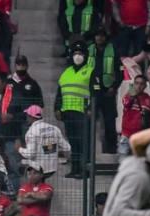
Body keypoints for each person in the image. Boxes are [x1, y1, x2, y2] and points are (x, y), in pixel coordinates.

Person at [55, 41, 93, 179]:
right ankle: (75, 168)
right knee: (73, 142)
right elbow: (60, 91)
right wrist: (57, 107)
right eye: (75, 53)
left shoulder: (90, 71)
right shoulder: (66, 72)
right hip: (68, 112)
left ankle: (86, 170)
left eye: (80, 53)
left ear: (85, 55)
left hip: (83, 112)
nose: (77, 56)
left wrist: (90, 108)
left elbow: (95, 93)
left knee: (84, 142)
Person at [88, 28, 123, 155]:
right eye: (97, 35)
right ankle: (91, 150)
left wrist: (114, 87)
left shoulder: (112, 50)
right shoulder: (89, 50)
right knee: (90, 120)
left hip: (108, 91)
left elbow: (120, 71)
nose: (99, 38)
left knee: (110, 122)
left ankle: (111, 150)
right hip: (92, 92)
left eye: (102, 35)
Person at [19, 106, 68, 178]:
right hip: (52, 168)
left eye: (27, 116)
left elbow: (30, 154)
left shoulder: (31, 132)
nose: (26, 119)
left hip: (38, 169)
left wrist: (19, 149)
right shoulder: (54, 128)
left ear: (31, 117)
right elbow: (66, 146)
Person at [119, 74, 150, 162]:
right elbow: (126, 104)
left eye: (141, 84)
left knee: (139, 162)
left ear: (145, 86)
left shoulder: (149, 100)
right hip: (127, 134)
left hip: (141, 136)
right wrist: (133, 94)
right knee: (122, 162)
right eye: (136, 83)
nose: (139, 86)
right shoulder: (129, 94)